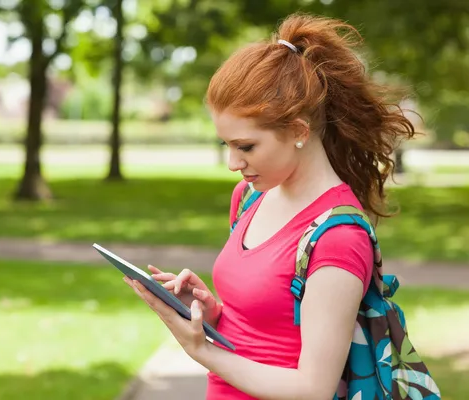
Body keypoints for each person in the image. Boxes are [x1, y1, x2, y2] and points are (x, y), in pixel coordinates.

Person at [123, 12, 417, 400]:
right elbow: (265, 325)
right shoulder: (249, 198)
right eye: (226, 145)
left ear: (298, 131)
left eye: (245, 146)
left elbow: (313, 389)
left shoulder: (338, 239)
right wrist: (211, 313)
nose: (233, 162)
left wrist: (202, 351)